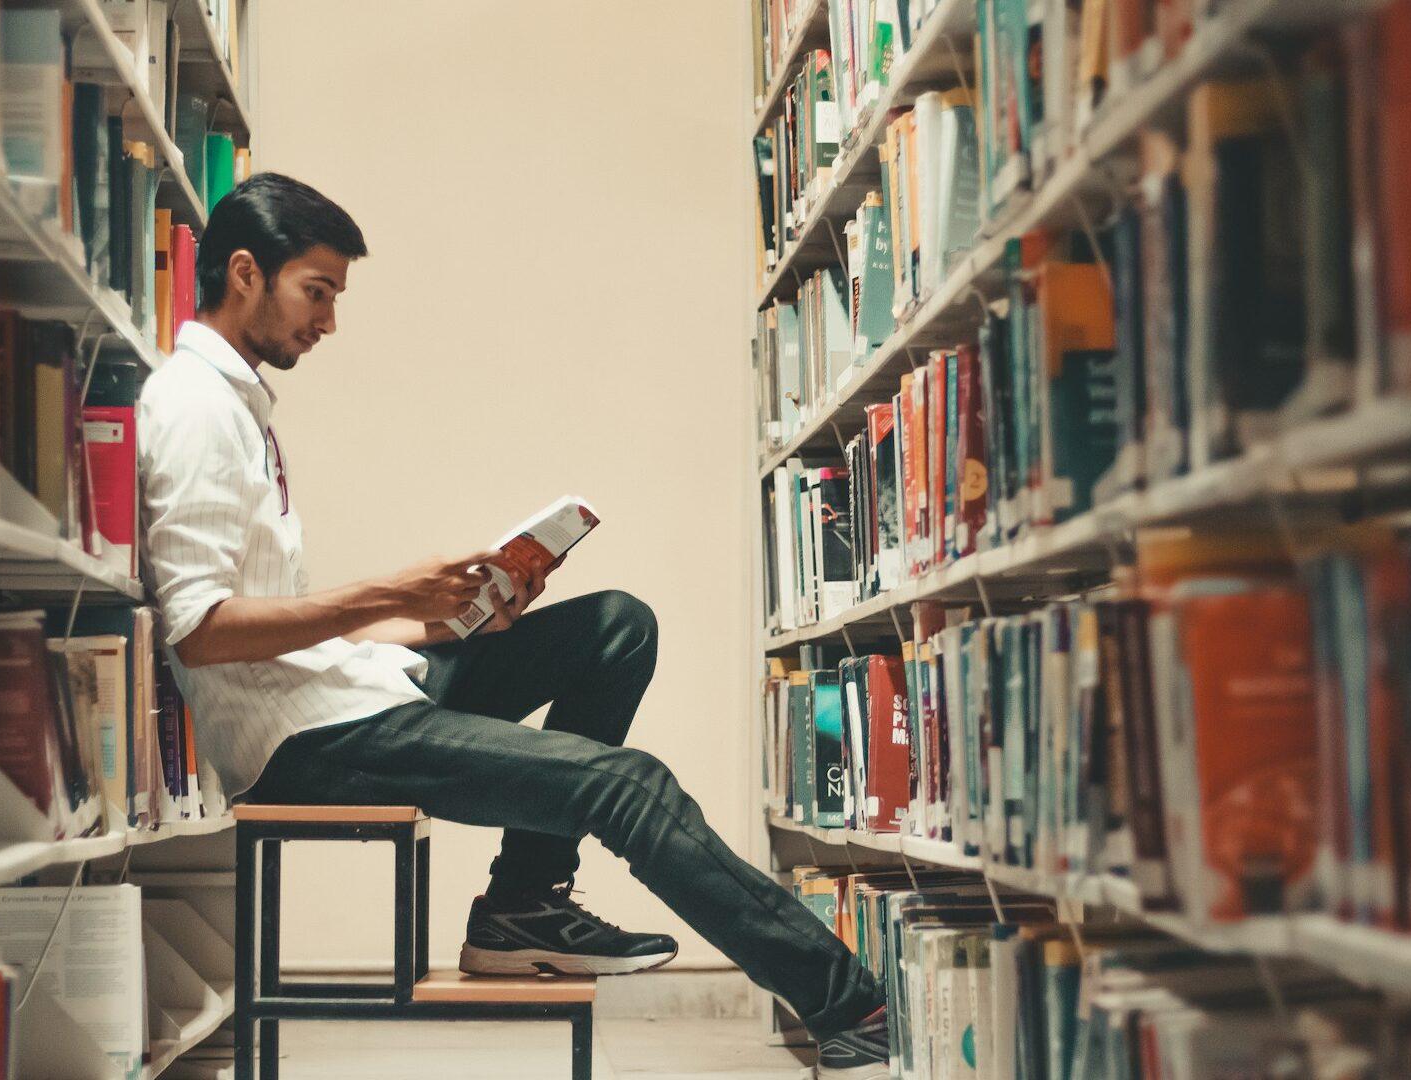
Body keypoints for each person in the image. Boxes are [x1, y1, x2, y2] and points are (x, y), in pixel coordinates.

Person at [136, 173, 892, 1079]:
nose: (329, 321)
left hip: (338, 694)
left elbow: (278, 630)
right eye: (318, 291)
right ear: (247, 273)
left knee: (616, 626)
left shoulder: (241, 404)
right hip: (306, 743)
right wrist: (388, 595)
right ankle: (855, 1003)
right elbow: (201, 631)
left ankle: (522, 908)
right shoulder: (190, 409)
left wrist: (448, 624)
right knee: (627, 786)